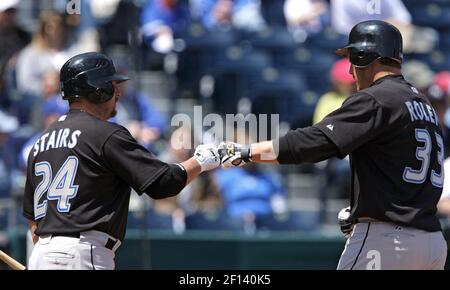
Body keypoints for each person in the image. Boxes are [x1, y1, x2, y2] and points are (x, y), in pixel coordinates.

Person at [218, 20, 448, 270]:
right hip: (432, 243)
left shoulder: (376, 98)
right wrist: (365, 207)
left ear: (364, 56)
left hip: (388, 242)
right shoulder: (423, 105)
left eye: (352, 59)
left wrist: (246, 151)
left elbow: (312, 143)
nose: (350, 72)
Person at [22, 52, 220, 270]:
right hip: (81, 253)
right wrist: (203, 160)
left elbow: (33, 222)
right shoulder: (105, 133)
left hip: (42, 254)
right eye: (111, 85)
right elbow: (164, 183)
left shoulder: (42, 141)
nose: (117, 92)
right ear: (97, 90)